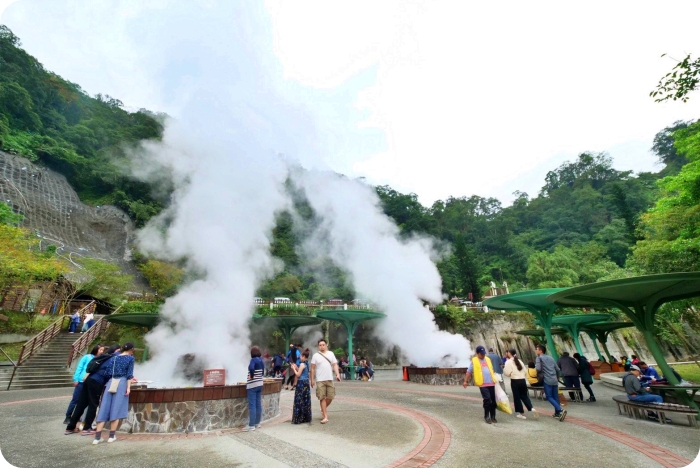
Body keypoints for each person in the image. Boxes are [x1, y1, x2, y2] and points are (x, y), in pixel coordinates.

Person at [64, 344, 120, 436]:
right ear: (116, 350)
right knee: (93, 405)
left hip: (88, 379)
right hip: (97, 382)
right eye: (119, 350)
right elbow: (110, 372)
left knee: (81, 404)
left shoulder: (103, 356)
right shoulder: (113, 358)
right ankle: (87, 428)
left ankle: (70, 427)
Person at [92, 342, 136, 444]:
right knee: (116, 408)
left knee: (104, 408)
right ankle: (111, 436)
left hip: (110, 382)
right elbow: (129, 374)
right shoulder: (130, 359)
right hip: (122, 383)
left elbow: (107, 372)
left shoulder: (114, 358)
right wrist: (128, 387)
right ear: (131, 350)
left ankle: (97, 438)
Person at [63, 344, 103, 424]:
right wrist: (76, 379)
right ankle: (68, 416)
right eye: (100, 350)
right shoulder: (87, 357)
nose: (102, 351)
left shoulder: (100, 359)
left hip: (91, 382)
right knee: (75, 400)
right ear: (96, 349)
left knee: (85, 401)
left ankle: (78, 417)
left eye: (102, 350)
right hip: (81, 381)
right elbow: (79, 367)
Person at [463, 345, 498, 424]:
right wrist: (465, 381)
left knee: (493, 401)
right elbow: (469, 372)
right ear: (477, 353)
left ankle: (493, 416)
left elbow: (491, 370)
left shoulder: (488, 359)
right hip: (482, 384)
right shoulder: (474, 361)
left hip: (491, 383)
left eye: (484, 354)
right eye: (481, 354)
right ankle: (486, 416)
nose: (483, 355)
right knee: (487, 400)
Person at [310, 338, 341, 424]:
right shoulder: (315, 355)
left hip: (329, 378)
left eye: (323, 345)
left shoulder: (331, 354)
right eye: (320, 345)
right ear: (318, 346)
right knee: (322, 397)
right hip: (320, 380)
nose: (322, 347)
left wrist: (337, 374)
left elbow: (334, 364)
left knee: (331, 396)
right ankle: (325, 416)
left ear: (326, 345)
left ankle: (322, 409)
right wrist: (312, 380)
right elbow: (312, 368)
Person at [503, 349, 538, 420]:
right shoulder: (520, 361)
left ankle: (521, 413)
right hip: (522, 380)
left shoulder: (508, 362)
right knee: (524, 396)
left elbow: (507, 372)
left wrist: (511, 374)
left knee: (517, 397)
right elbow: (525, 371)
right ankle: (531, 408)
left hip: (515, 381)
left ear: (509, 353)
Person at [535, 344, 567, 421]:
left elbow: (538, 368)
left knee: (549, 396)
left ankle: (560, 410)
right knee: (555, 396)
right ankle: (557, 413)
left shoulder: (539, 358)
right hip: (554, 379)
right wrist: (558, 376)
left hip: (546, 379)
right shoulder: (550, 357)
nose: (536, 350)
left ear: (540, 350)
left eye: (536, 349)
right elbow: (557, 368)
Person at [243, 345, 264, 432]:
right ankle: (257, 423)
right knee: (258, 404)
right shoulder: (261, 360)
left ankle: (251, 425)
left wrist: (251, 376)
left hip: (252, 385)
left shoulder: (253, 360)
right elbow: (263, 371)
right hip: (260, 384)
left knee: (252, 405)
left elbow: (251, 368)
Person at [290, 348, 312, 424]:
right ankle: (306, 417)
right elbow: (302, 371)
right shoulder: (307, 363)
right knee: (305, 400)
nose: (299, 357)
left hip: (301, 383)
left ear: (303, 356)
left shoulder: (302, 364)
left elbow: (298, 374)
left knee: (299, 400)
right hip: (306, 383)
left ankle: (298, 418)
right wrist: (296, 367)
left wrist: (294, 369)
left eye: (300, 356)